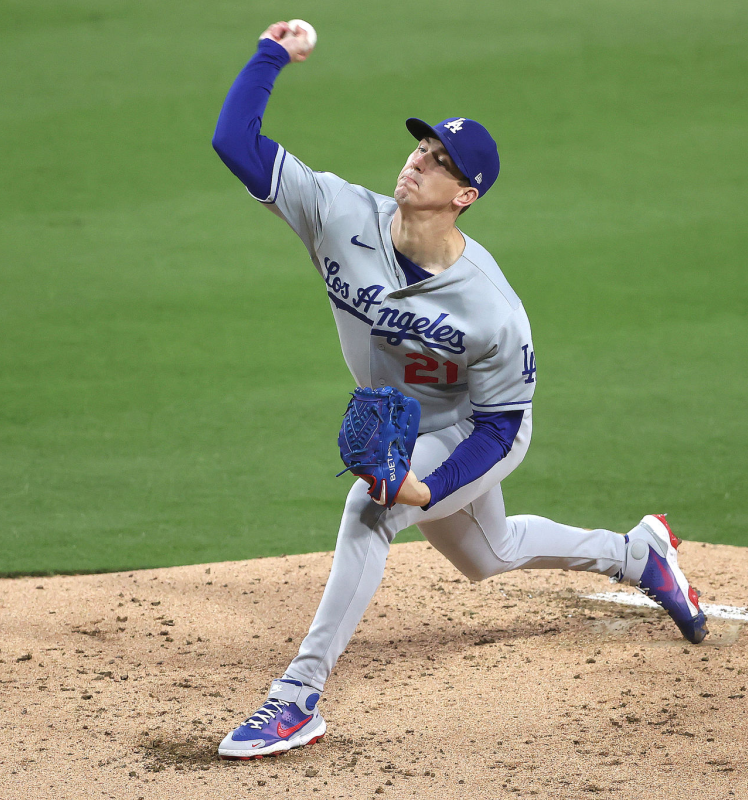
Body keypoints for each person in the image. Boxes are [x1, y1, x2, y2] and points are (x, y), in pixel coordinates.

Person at [210, 21, 708, 760]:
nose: (418, 162)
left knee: (369, 512)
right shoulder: (340, 212)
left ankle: (296, 698)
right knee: (489, 555)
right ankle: (637, 555)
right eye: (421, 147)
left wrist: (423, 486)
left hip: (475, 428)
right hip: (413, 422)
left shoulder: (493, 310)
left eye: (440, 162)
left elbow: (502, 430)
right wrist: (271, 55)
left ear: (465, 195)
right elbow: (236, 144)